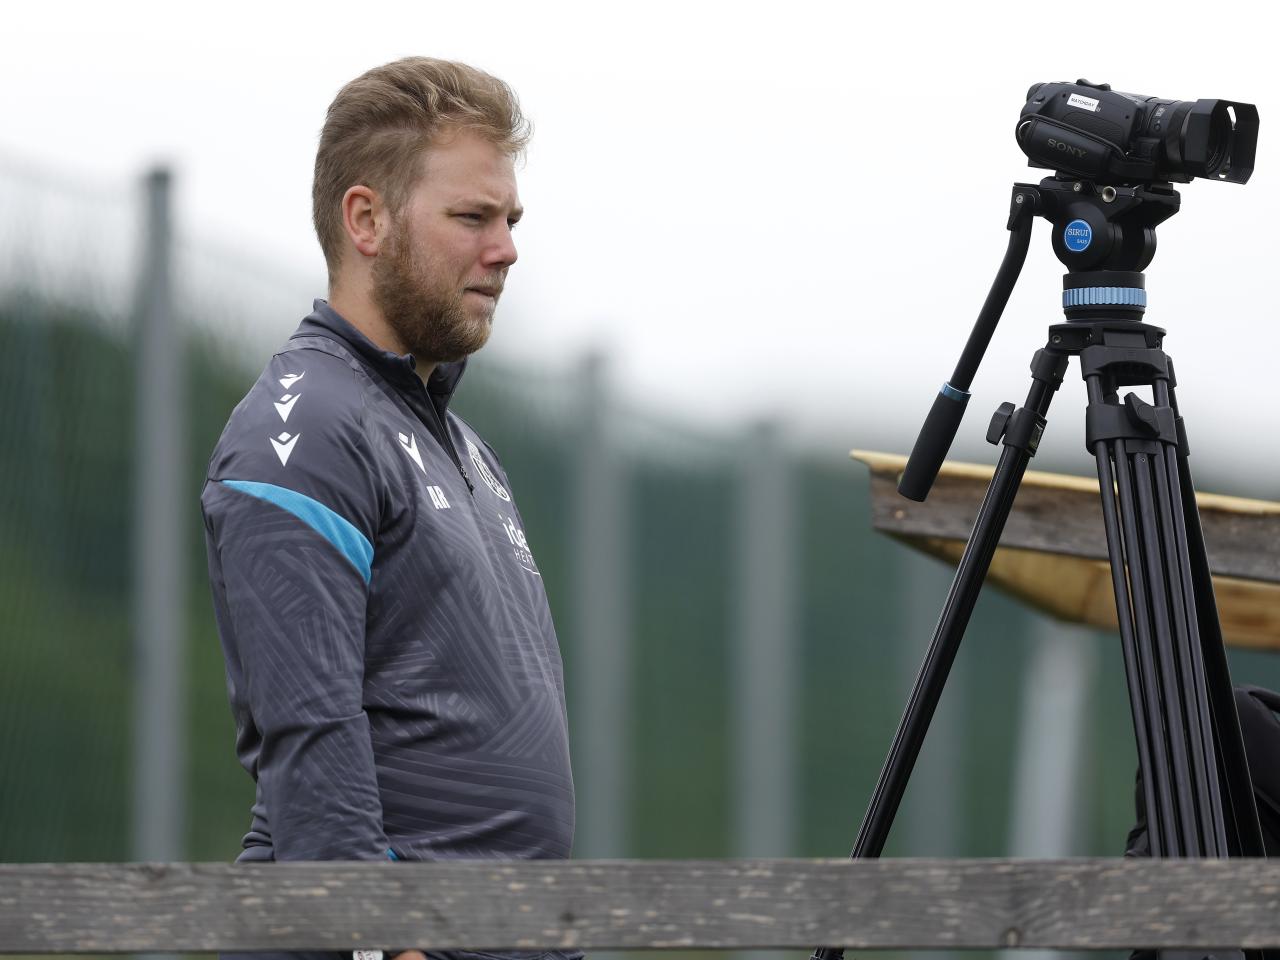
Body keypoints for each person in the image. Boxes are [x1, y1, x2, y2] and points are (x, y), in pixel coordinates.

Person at [201, 58, 577, 960]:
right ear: (366, 219)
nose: (507, 248)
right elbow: (309, 732)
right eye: (472, 218)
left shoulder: (463, 444)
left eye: (511, 220)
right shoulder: (302, 430)